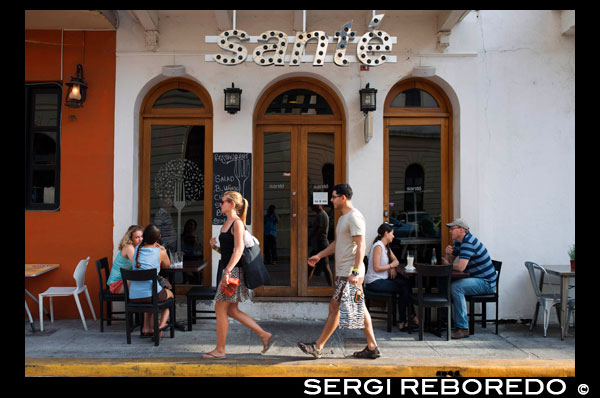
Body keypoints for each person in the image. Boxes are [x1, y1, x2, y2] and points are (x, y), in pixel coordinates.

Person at [299, 183, 380, 359]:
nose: (331, 200)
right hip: (345, 271)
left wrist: (355, 271)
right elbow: (338, 243)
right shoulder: (343, 218)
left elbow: (361, 245)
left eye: (334, 196)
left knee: (337, 307)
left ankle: (318, 346)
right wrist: (319, 255)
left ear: (343, 197)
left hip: (350, 272)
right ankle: (372, 347)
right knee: (355, 307)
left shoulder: (354, 217)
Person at [203, 191, 274, 359]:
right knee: (232, 310)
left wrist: (227, 272)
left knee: (220, 309)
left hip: (232, 272)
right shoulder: (226, 223)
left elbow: (239, 249)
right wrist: (215, 248)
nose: (220, 204)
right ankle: (264, 334)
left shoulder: (237, 224)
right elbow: (228, 251)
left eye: (223, 201)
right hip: (228, 269)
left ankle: (220, 350)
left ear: (232, 204)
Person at [441, 218, 497, 339]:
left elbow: (460, 267)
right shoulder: (458, 242)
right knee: (444, 283)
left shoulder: (468, 243)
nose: (450, 231)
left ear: (461, 230)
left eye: (452, 229)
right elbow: (449, 262)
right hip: (476, 278)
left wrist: (447, 264)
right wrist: (447, 253)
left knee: (456, 287)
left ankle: (462, 328)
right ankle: (446, 320)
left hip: (486, 283)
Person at [365, 223, 418, 331]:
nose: (393, 236)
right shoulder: (378, 247)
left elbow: (396, 261)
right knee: (404, 286)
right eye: (392, 234)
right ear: (386, 233)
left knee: (405, 283)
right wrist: (390, 266)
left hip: (382, 280)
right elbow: (376, 268)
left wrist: (392, 268)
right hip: (374, 282)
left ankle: (407, 318)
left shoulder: (386, 247)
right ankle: (405, 319)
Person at [130, 223, 175, 339]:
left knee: (150, 294)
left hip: (134, 295)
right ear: (159, 237)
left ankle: (146, 328)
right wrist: (163, 250)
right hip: (151, 294)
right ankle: (161, 326)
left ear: (144, 236)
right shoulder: (160, 252)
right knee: (170, 295)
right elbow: (167, 265)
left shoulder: (136, 249)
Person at [106, 225, 143, 294]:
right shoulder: (129, 248)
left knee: (145, 283)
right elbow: (137, 266)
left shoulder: (135, 247)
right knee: (145, 284)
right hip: (116, 285)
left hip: (124, 280)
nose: (141, 239)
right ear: (130, 238)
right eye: (137, 237)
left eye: (142, 236)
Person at [308, 204, 332, 285]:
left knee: (325, 266)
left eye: (312, 205)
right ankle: (304, 285)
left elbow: (319, 229)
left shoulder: (321, 214)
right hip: (319, 244)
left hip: (321, 244)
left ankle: (331, 287)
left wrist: (311, 236)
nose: (311, 208)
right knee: (311, 264)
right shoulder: (320, 214)